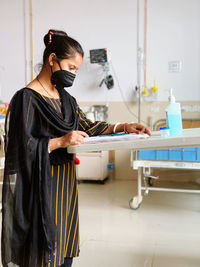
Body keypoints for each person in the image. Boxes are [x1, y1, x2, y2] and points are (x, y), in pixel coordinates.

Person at [1, 29, 151, 267]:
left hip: (65, 183)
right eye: (71, 68)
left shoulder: (66, 100)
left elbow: (87, 126)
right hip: (40, 186)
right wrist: (60, 141)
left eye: (76, 71)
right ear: (52, 60)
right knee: (42, 248)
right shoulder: (26, 99)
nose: (73, 75)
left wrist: (124, 126)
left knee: (63, 240)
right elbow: (20, 149)